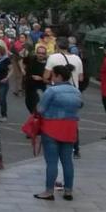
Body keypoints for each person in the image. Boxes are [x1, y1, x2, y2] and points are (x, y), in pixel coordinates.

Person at [34, 64, 83, 201]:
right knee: (67, 161)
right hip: (70, 128)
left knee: (52, 162)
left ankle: (49, 191)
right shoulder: (76, 91)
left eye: (53, 75)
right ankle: (68, 190)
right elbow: (79, 105)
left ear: (59, 76)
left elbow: (41, 109)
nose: (52, 78)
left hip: (52, 127)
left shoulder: (52, 91)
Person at [22, 45, 49, 114]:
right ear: (36, 53)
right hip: (29, 87)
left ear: (45, 54)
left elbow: (51, 81)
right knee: (29, 104)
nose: (40, 55)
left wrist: (41, 78)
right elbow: (24, 62)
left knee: (37, 109)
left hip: (40, 89)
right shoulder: (32, 58)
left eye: (43, 53)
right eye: (39, 53)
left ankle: (37, 120)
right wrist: (24, 71)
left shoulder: (48, 64)